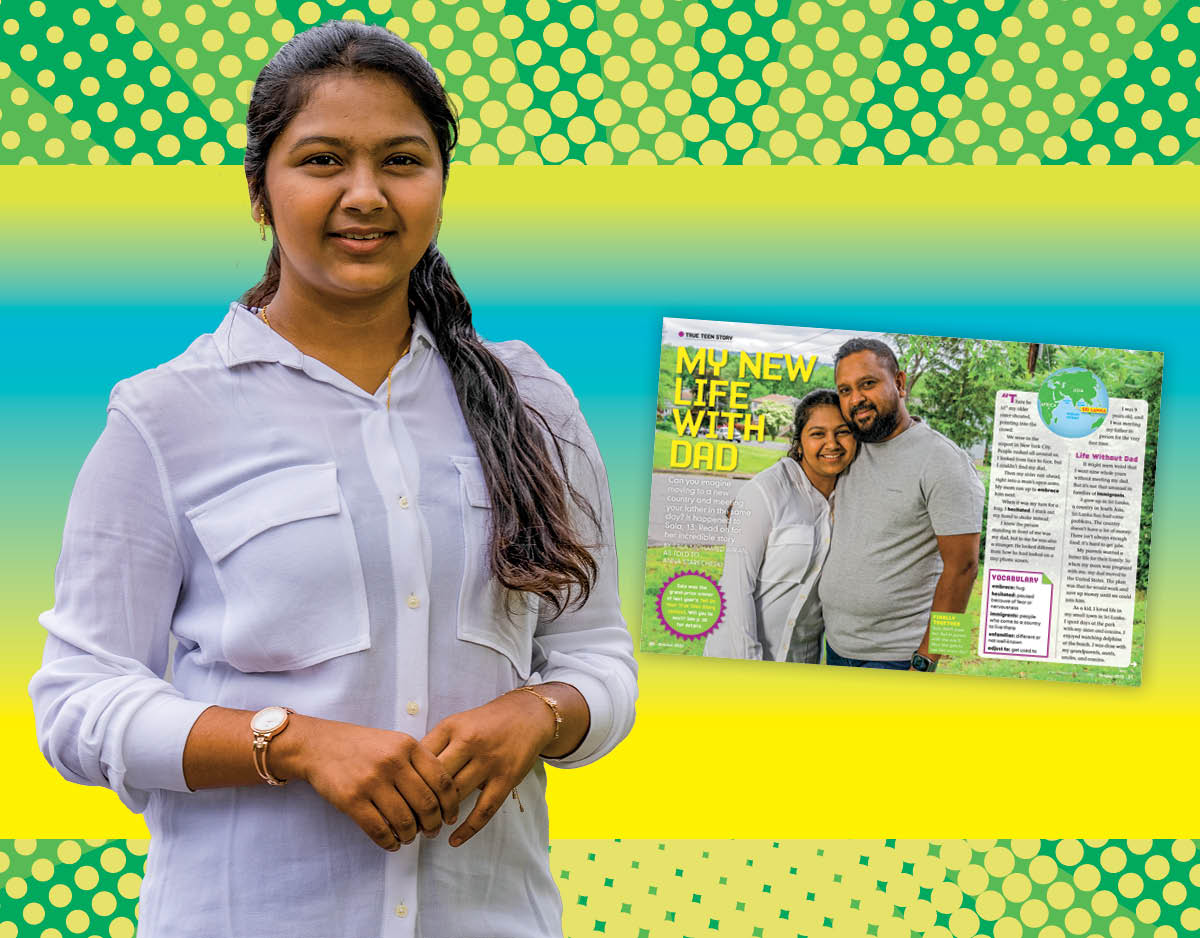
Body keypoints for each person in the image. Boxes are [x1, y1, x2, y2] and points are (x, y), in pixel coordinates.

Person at [29, 21, 636, 938]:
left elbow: (598, 655)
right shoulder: (165, 417)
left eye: (403, 160)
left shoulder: (532, 402)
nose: (366, 195)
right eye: (322, 161)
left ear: (440, 182)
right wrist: (291, 743)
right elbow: (76, 703)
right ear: (262, 189)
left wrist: (540, 714)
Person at [818, 337, 984, 671]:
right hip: (836, 645)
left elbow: (964, 570)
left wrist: (927, 661)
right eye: (845, 390)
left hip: (895, 658)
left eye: (867, 384)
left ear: (900, 382)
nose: (856, 399)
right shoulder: (850, 448)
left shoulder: (942, 460)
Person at [703, 389, 856, 662]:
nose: (832, 443)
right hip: (738, 662)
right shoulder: (764, 491)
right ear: (799, 442)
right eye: (818, 434)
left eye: (842, 432)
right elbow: (735, 589)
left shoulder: (853, 497)